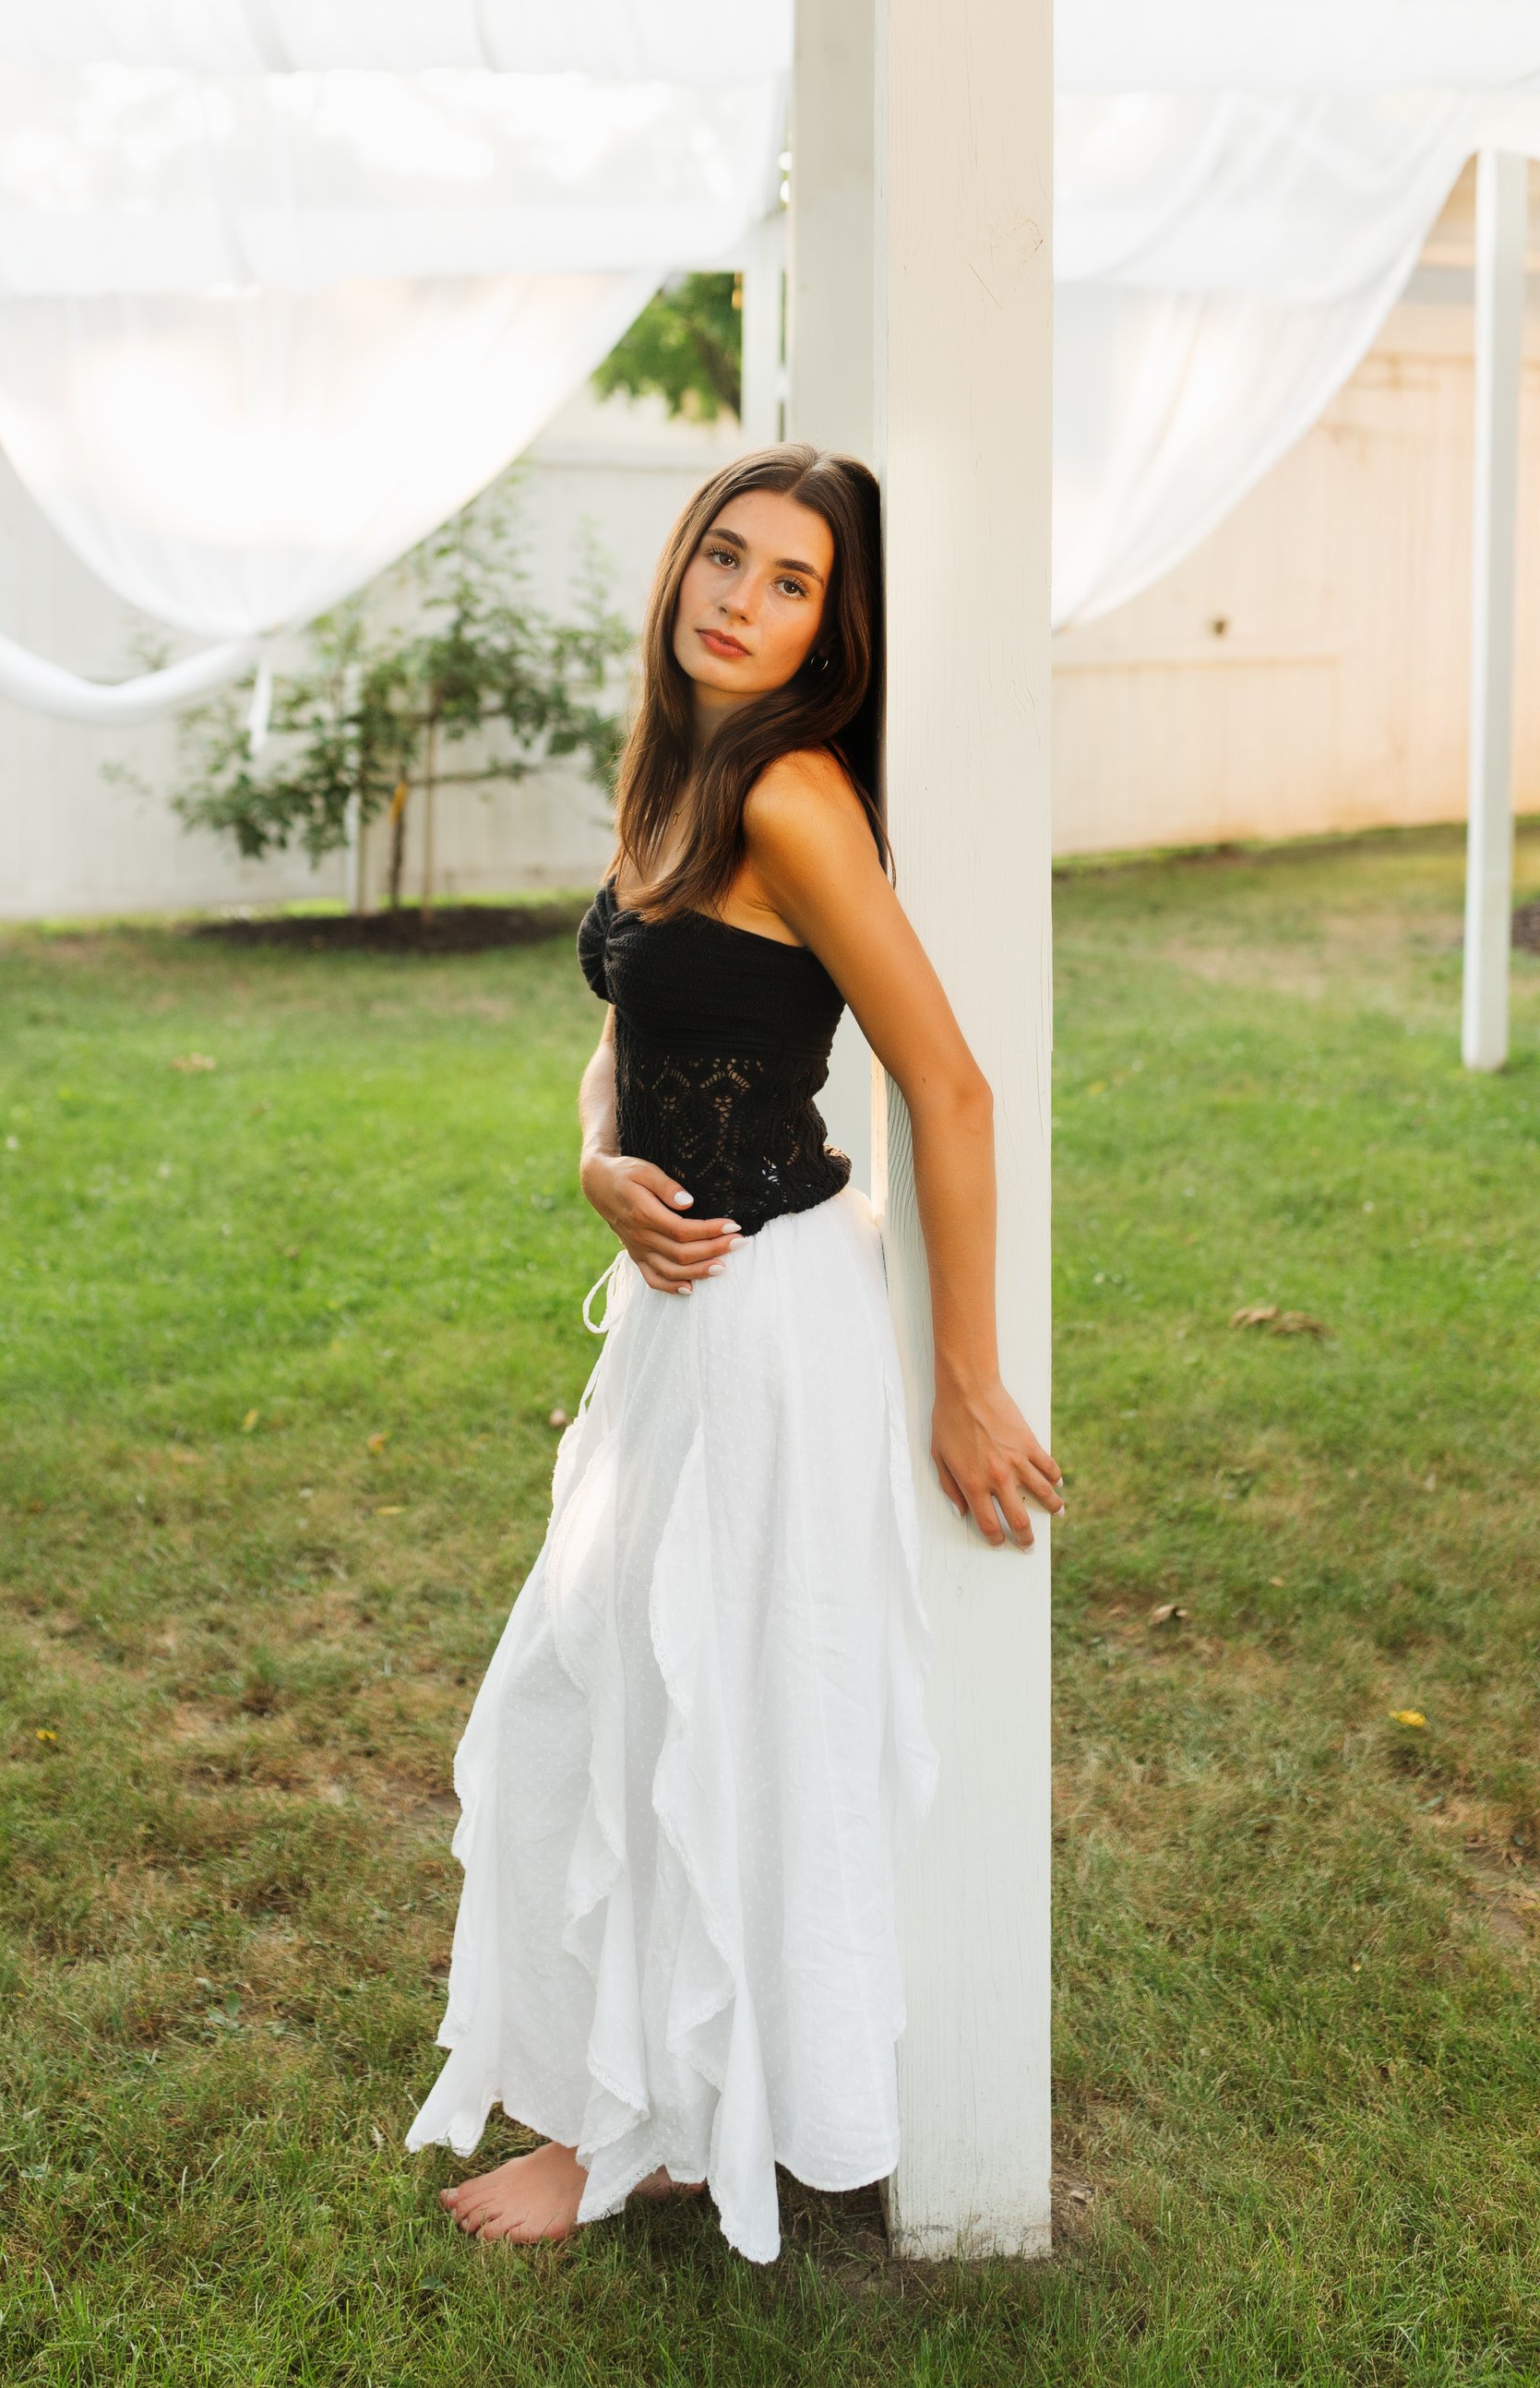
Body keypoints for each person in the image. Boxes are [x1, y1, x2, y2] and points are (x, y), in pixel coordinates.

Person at [406, 445, 1061, 2263]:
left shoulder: (789, 794)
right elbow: (627, 1029)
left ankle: (652, 2129)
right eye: (725, 555)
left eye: (791, 584)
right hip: (677, 1323)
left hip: (773, 1323)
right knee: (614, 1695)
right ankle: (646, 2109)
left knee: (707, 1717)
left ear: (830, 635)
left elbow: (949, 1088)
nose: (740, 600)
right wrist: (596, 1159)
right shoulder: (681, 774)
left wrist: (965, 1378)